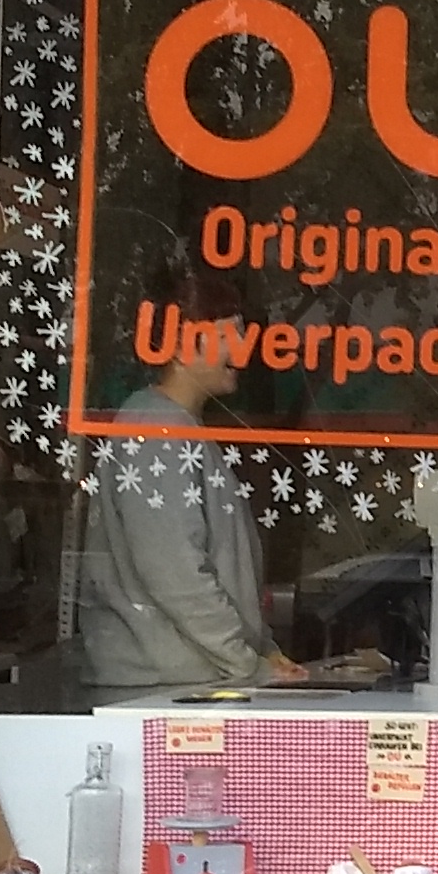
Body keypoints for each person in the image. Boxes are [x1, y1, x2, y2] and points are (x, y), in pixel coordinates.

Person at [78, 280, 302, 696]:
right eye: (228, 336)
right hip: (165, 687)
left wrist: (263, 651)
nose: (242, 350)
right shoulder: (158, 429)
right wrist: (245, 660)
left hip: (182, 678)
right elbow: (175, 572)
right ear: (181, 345)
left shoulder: (173, 426)